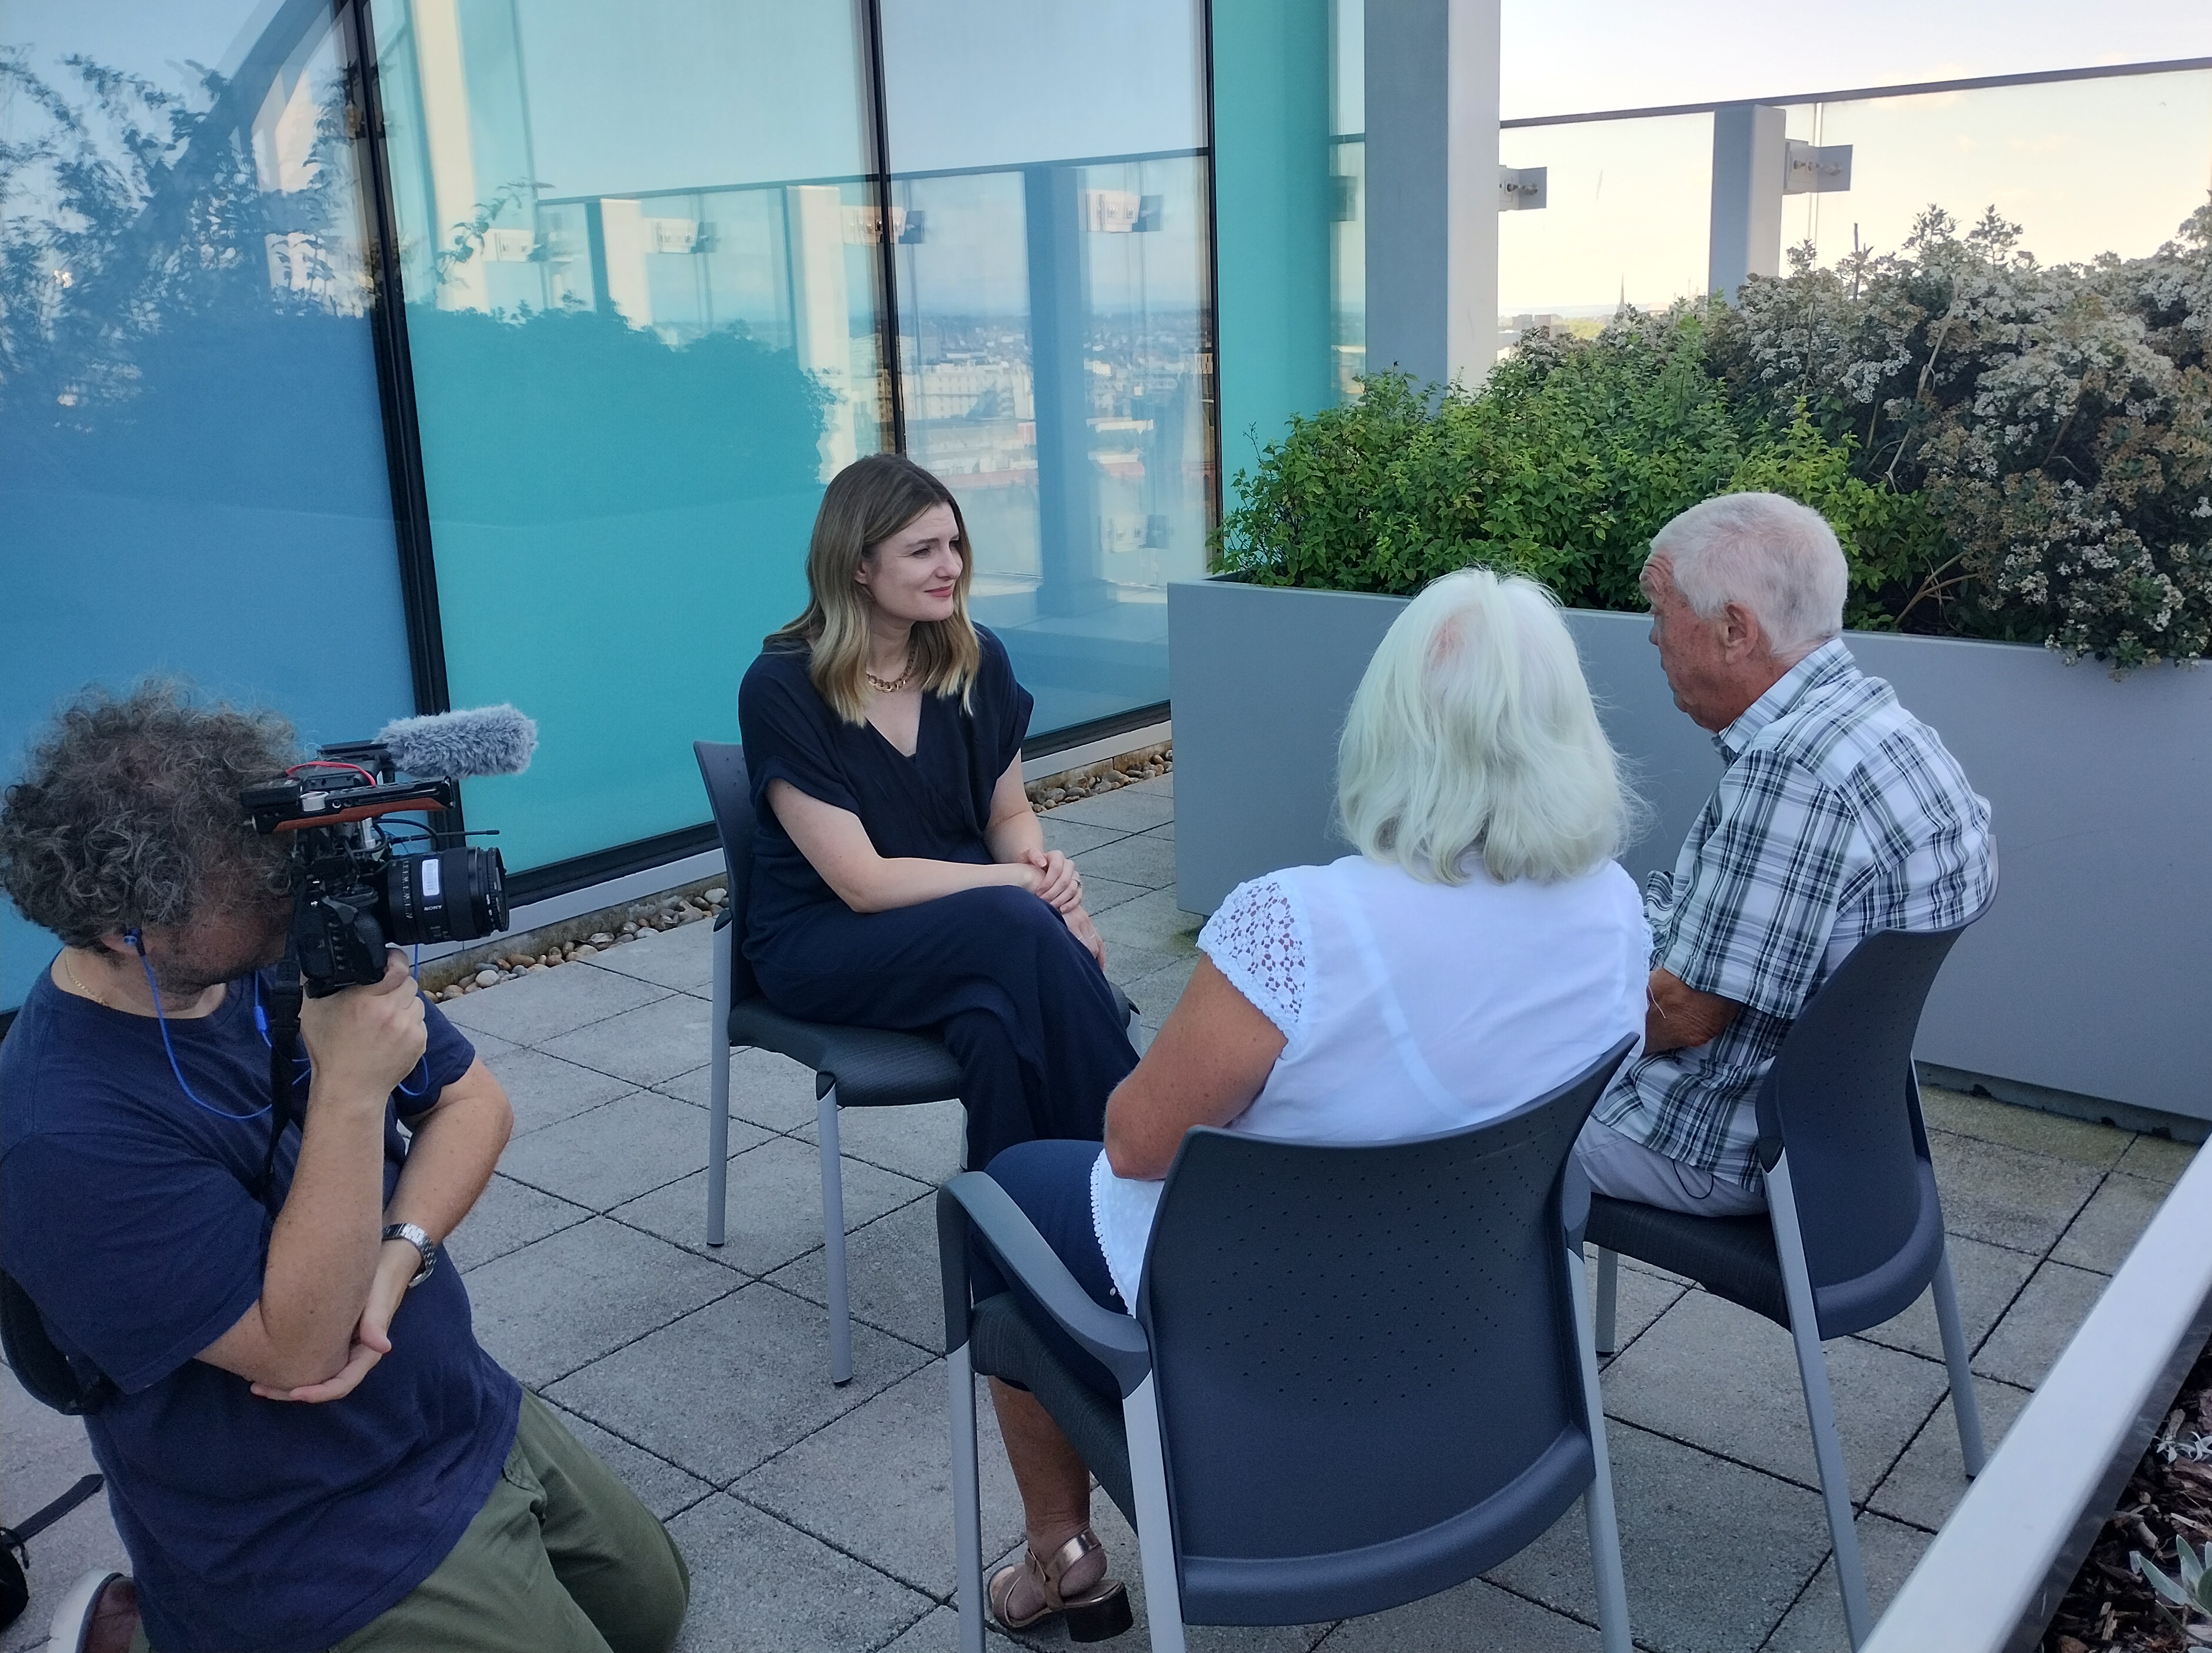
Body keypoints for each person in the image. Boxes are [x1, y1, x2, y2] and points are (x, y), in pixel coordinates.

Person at [966, 568, 1652, 1637]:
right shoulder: (1613, 909)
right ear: (1570, 725)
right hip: (1479, 1304)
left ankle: (1064, 1551)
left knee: (1006, 1193)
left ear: (1392, 725)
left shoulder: (1301, 924)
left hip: (1264, 1317)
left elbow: (1138, 1143)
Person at [0, 684, 689, 1653]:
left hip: (451, 1405)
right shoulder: (60, 1137)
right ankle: (165, 1630)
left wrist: (396, 1258)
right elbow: (299, 1351)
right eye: (256, 891)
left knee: (654, 1612)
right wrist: (353, 1089)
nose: (290, 895)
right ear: (131, 931)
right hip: (301, 1520)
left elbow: (474, 1103)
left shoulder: (264, 947)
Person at [1575, 491, 1998, 1217]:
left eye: (1660, 609)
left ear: (1733, 629)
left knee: (1453, 1117)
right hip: (1848, 1134)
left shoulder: (1794, 769)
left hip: (1714, 1140)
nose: (1652, 637)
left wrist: (1538, 1026)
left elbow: (1687, 1015)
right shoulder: (1886, 726)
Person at [737, 456, 1137, 1171]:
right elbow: (862, 884)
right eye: (922, 551)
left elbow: (1007, 816)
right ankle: (1145, 1172)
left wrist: (1040, 877)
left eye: (953, 545)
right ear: (859, 566)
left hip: (968, 934)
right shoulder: (782, 688)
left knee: (995, 1026)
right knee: (1026, 939)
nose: (948, 566)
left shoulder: (977, 660)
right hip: (824, 941)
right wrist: (1029, 900)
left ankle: (1015, 1254)